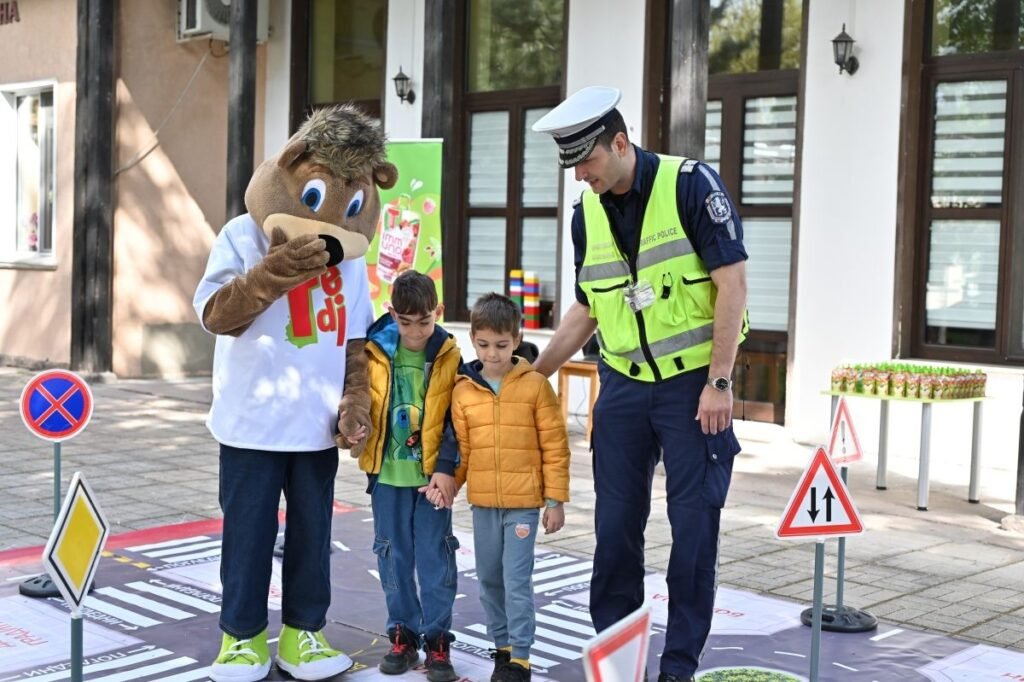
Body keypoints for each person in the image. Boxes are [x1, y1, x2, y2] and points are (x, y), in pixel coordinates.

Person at [530, 86, 748, 682]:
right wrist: (535, 374)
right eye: (572, 165)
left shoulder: (690, 186)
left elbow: (733, 284)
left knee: (694, 532)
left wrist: (720, 382)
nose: (580, 176)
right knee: (615, 533)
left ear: (620, 143)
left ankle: (677, 668)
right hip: (622, 389)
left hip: (692, 391)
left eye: (588, 162)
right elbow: (588, 308)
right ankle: (618, 662)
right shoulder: (587, 214)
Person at [193, 103, 395, 682]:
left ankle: (305, 634)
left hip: (316, 425)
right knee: (250, 533)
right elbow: (214, 314)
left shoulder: (349, 258)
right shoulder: (241, 234)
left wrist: (356, 402)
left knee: (314, 534)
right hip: (251, 421)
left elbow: (356, 339)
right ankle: (241, 639)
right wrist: (272, 271)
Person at [342, 269, 463, 682]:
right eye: (404, 322)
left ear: (439, 312)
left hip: (432, 481)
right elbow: (354, 399)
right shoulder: (373, 349)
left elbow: (456, 420)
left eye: (424, 322)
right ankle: (403, 634)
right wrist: (349, 428)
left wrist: (446, 469)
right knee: (392, 555)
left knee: (435, 557)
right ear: (392, 312)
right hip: (387, 477)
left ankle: (438, 640)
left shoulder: (449, 353)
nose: (413, 332)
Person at [446, 293, 571, 682]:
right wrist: (449, 484)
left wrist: (555, 500)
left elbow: (555, 445)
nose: (492, 353)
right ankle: (501, 648)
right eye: (483, 345)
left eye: (501, 345)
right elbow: (463, 451)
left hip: (523, 506)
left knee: (517, 581)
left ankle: (521, 656)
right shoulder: (464, 389)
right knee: (488, 580)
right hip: (482, 503)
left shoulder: (535, 386)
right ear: (473, 340)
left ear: (516, 340)